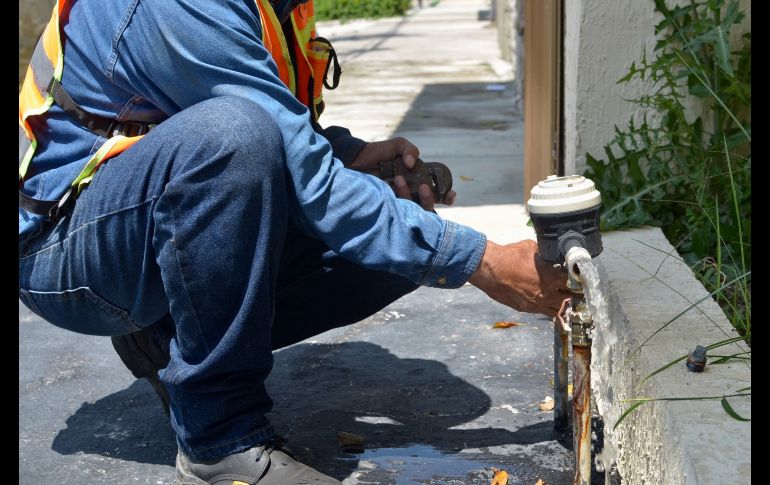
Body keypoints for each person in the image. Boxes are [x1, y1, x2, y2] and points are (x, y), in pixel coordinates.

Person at [18, 0, 568, 483]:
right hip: (65, 253)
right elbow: (257, 151)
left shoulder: (279, 6)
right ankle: (220, 442)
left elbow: (283, 135)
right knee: (234, 137)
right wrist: (485, 262)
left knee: (389, 209)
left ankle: (166, 337)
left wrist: (351, 154)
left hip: (133, 222)